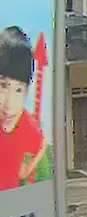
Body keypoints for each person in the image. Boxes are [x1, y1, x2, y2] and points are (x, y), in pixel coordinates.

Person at [0, 26, 45, 191]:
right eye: (3, 86)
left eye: (19, 90)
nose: (10, 103)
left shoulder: (29, 129)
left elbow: (23, 173)